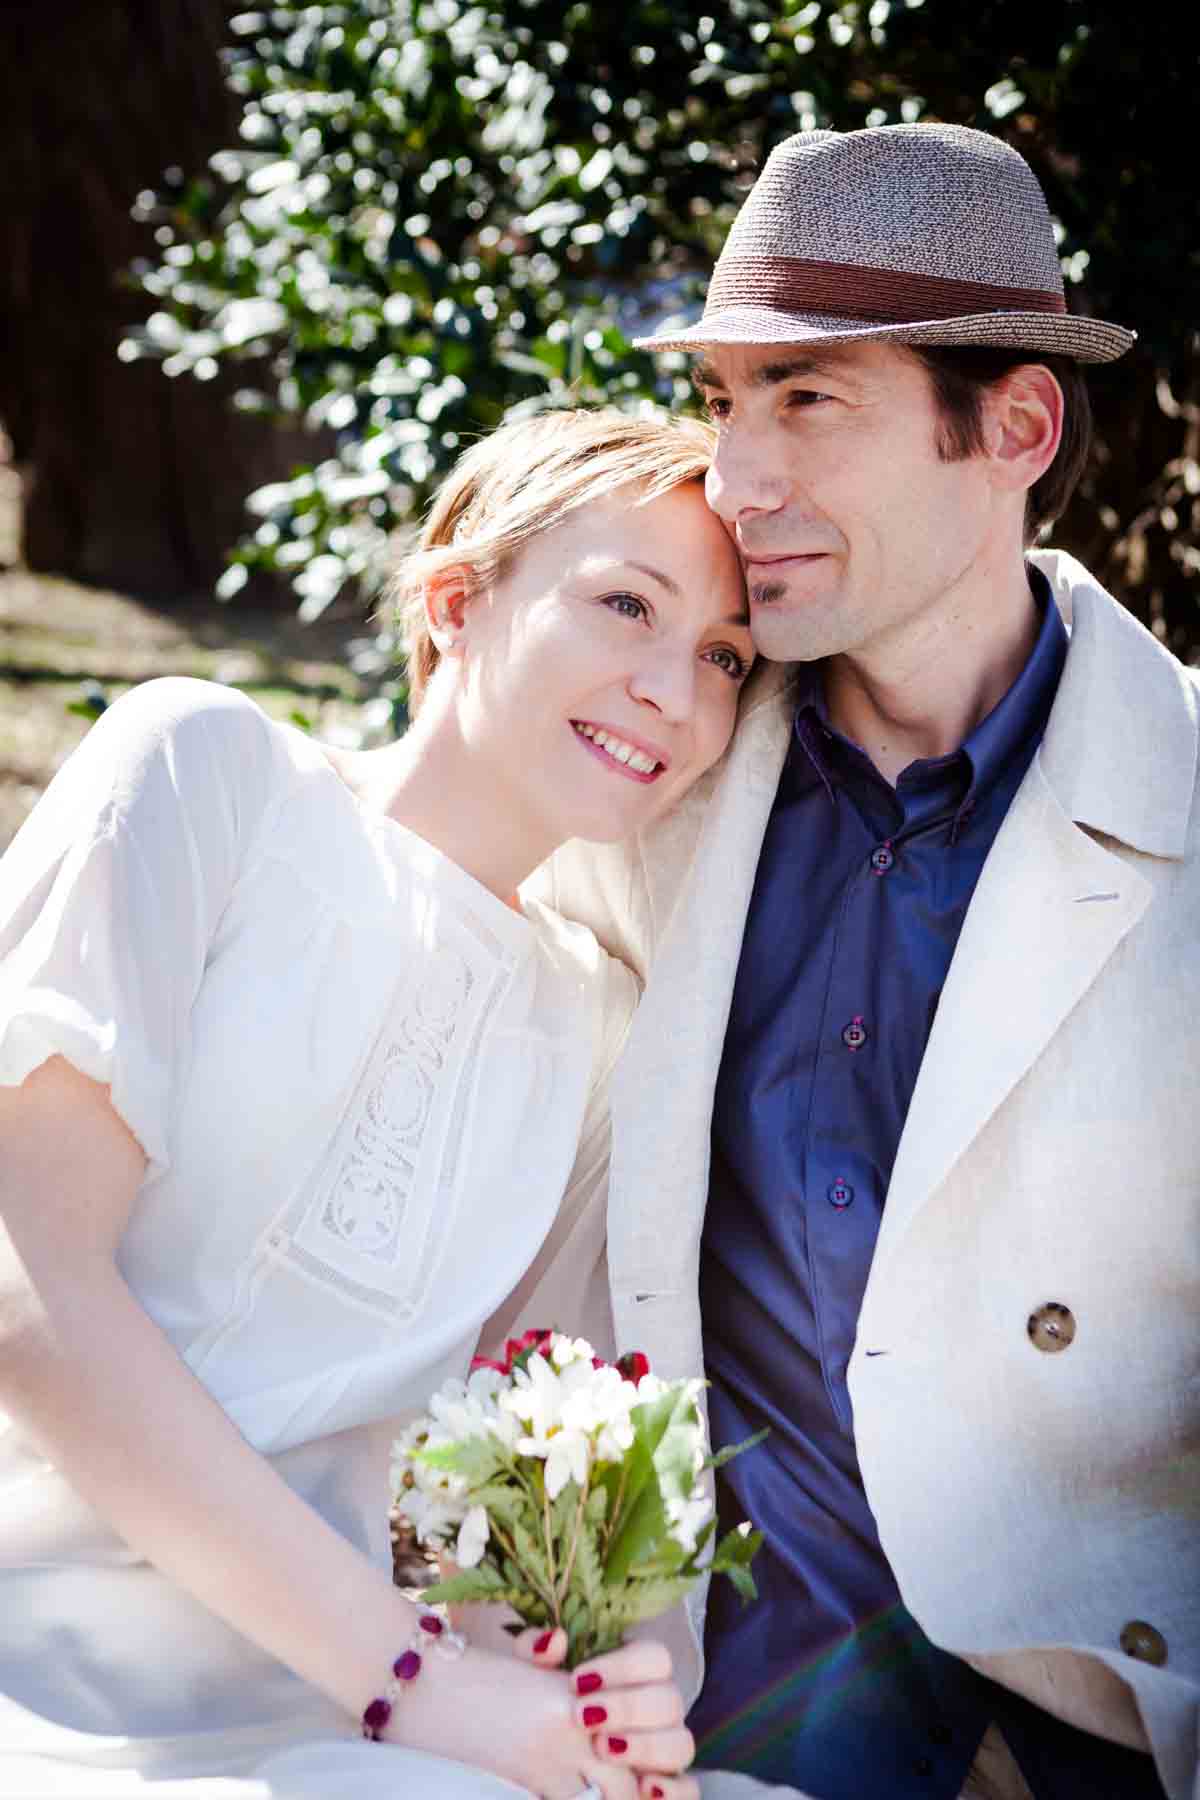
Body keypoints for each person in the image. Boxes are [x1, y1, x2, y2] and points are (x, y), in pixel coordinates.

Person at [510, 126, 1199, 1800]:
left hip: (1081, 1730)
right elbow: (531, 1251)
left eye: (808, 401)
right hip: (686, 1713)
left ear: (1014, 427)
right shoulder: (644, 778)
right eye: (727, 402)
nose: (737, 477)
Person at [0, 407, 757, 1798]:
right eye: (626, 605)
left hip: (352, 1714)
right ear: (456, 598)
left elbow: (533, 1455)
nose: (676, 690)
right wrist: (418, 1688)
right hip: (50, 1662)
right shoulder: (205, 772)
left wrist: (591, 1681)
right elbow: (26, 1288)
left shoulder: (598, 1018)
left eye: (724, 655)